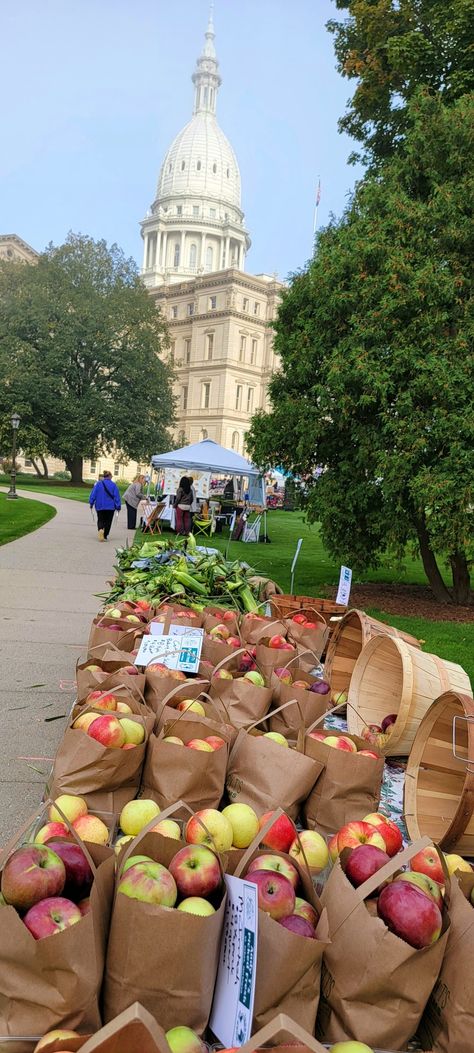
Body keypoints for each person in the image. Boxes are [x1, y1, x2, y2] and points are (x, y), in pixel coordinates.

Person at [89, 470, 121, 541]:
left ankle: (100, 529)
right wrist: (118, 506)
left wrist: (91, 502)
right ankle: (105, 535)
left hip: (100, 505)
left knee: (100, 519)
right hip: (110, 507)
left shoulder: (98, 484)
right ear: (110, 476)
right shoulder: (114, 485)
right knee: (108, 521)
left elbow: (93, 494)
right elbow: (116, 496)